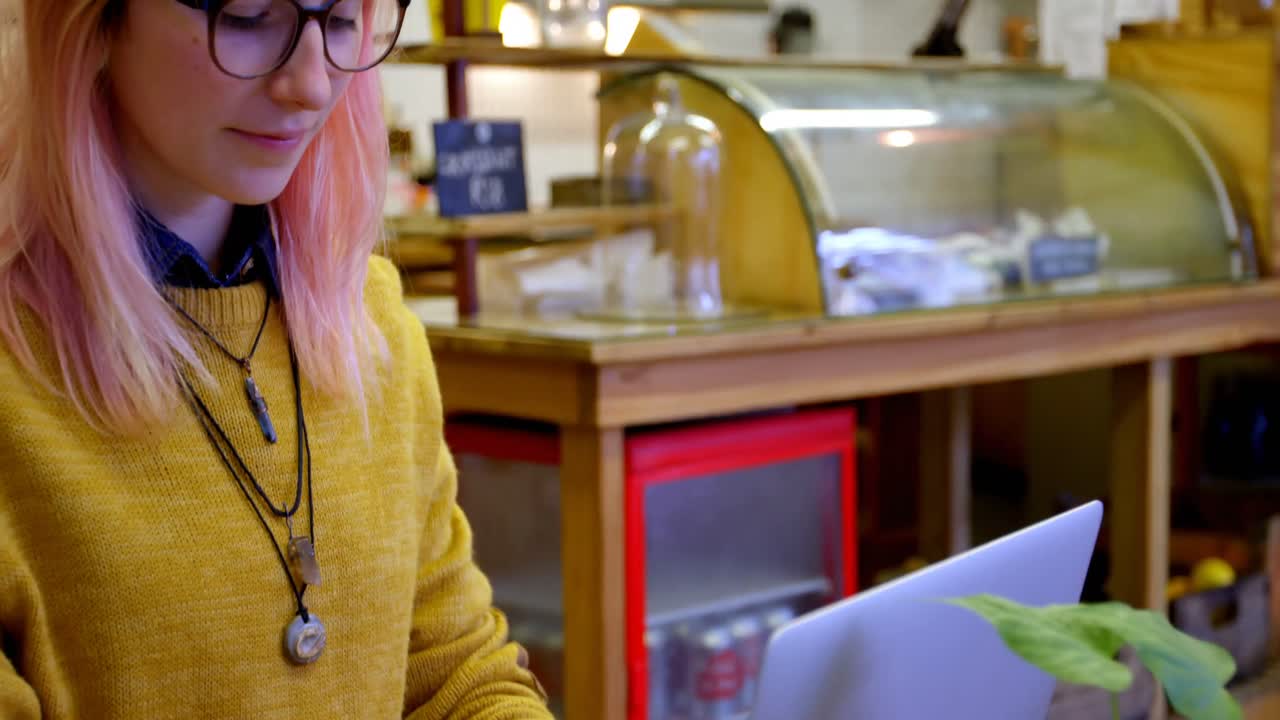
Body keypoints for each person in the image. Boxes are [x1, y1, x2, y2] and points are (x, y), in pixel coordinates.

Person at [0, 1, 553, 718]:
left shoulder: (374, 325)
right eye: (248, 14)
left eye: (344, 19)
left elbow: (457, 674)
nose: (313, 84)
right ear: (93, 20)